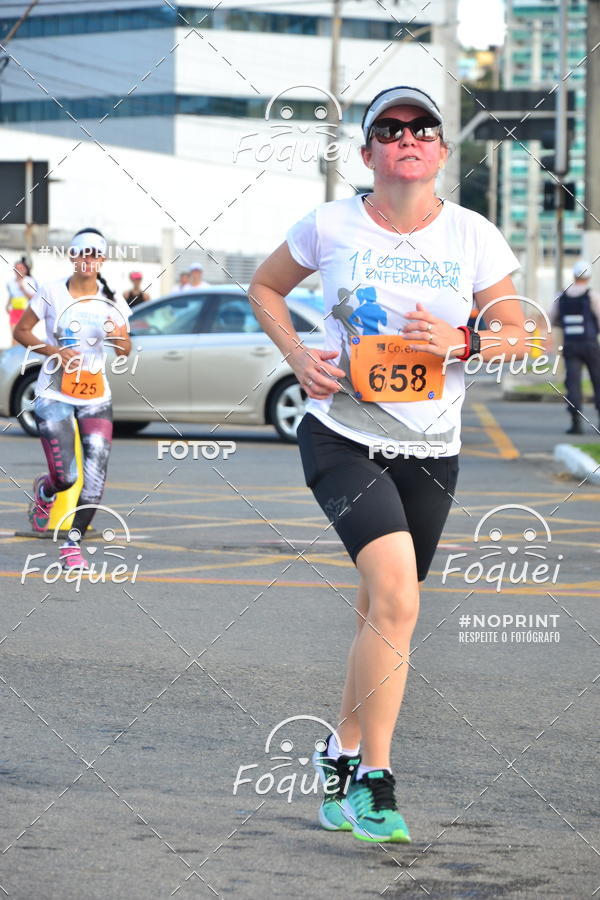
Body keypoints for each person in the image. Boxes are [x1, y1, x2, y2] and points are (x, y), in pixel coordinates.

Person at [249, 85, 527, 843]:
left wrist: (463, 340)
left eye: (423, 128)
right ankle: (377, 780)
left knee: (381, 612)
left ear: (440, 151)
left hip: (433, 451)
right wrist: (298, 355)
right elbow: (264, 287)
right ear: (368, 152)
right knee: (400, 602)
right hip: (341, 436)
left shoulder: (473, 236)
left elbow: (523, 338)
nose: (408, 137)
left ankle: (335, 756)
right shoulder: (329, 225)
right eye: (390, 129)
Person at [13, 228, 131, 569]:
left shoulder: (112, 300)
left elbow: (125, 350)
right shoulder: (50, 292)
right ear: (73, 256)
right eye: (82, 252)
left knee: (94, 476)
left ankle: (72, 545)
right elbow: (20, 331)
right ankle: (47, 491)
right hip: (53, 394)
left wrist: (114, 336)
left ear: (103, 260)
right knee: (67, 476)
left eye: (95, 254)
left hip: (96, 396)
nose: (88, 259)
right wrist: (52, 351)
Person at [551, 260, 600, 434]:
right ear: (589, 277)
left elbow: (553, 319)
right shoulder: (592, 295)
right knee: (597, 380)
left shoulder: (561, 296)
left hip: (570, 345)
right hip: (590, 344)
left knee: (573, 383)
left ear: (574, 275)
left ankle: (576, 423)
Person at [7, 258, 37, 336]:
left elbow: (34, 298)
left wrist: (23, 289)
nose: (18, 271)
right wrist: (7, 305)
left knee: (24, 337)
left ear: (25, 270)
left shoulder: (30, 281)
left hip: (26, 312)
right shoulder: (10, 282)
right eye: (16, 268)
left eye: (21, 268)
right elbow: (11, 295)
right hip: (14, 311)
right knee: (14, 336)